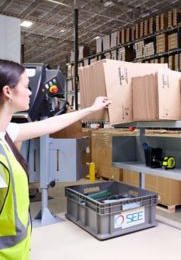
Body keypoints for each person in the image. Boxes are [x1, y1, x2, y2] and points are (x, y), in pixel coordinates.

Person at [0, 59, 111, 259]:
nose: (31, 92)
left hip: (17, 251)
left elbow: (52, 123)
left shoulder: (7, 132)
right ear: (8, 91)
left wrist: (90, 109)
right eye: (26, 86)